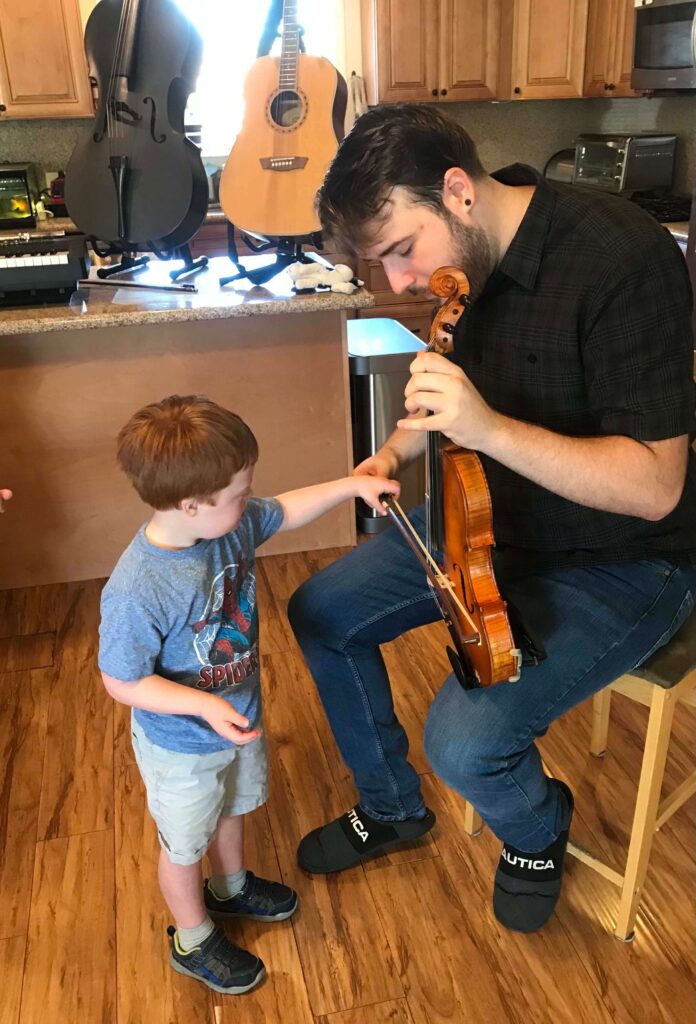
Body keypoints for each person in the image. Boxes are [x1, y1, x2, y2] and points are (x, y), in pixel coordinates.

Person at [287, 103, 696, 934]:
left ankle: (538, 830)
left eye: (401, 251)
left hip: (627, 556)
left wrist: (488, 430)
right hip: (489, 527)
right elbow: (447, 389)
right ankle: (394, 807)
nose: (399, 283)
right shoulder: (461, 269)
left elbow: (656, 488)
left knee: (466, 745)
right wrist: (395, 451)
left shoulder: (622, 257)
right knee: (321, 612)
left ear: (457, 191)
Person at [98, 394, 399, 995]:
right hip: (183, 743)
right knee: (185, 841)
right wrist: (204, 705)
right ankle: (193, 936)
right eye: (238, 494)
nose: (248, 500)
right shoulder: (139, 587)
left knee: (234, 806)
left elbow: (284, 511)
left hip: (237, 719)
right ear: (190, 503)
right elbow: (121, 680)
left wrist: (349, 485)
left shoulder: (225, 528)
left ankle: (231, 887)